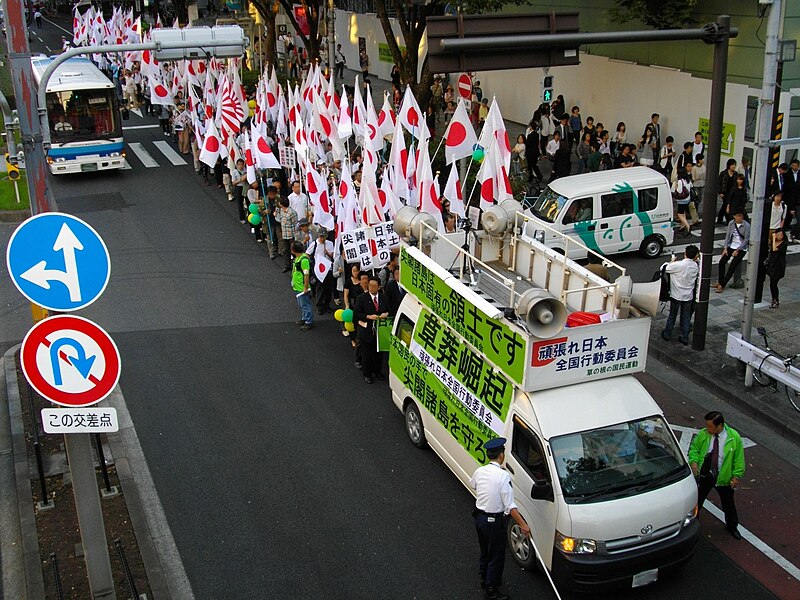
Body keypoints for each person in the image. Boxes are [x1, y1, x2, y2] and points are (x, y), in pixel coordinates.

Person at [469, 438, 531, 600]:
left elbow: (473, 484)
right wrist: (523, 525)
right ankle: (491, 589)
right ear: (501, 456)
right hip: (494, 522)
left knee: (485, 550)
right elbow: (510, 507)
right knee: (496, 555)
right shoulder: (503, 477)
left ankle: (484, 578)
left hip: (479, 519)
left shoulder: (480, 471)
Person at [688, 411, 745, 540]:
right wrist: (694, 462)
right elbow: (694, 449)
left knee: (728, 504)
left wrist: (736, 476)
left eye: (710, 426)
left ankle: (732, 526)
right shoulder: (704, 434)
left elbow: (738, 459)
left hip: (723, 478)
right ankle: (692, 524)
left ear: (719, 425)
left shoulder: (734, 438)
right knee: (697, 501)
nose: (707, 429)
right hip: (705, 474)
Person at [660, 245, 699, 345]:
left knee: (672, 315)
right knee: (686, 317)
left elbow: (663, 268)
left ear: (685, 253)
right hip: (688, 296)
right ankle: (684, 337)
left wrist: (672, 261)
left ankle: (667, 334)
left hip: (676, 295)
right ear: (695, 256)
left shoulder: (678, 265)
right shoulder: (695, 266)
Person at [353, 277, 389, 384]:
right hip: (366, 330)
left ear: (379, 287)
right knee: (367, 354)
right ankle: (367, 373)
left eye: (374, 286)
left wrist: (386, 314)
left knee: (379, 354)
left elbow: (389, 310)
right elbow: (356, 314)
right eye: (370, 286)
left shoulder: (383, 298)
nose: (371, 288)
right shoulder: (361, 298)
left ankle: (377, 371)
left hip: (380, 331)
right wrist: (368, 316)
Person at [715, 212, 750, 293]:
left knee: (732, 267)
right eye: (737, 216)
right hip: (731, 246)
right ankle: (720, 281)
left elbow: (746, 239)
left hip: (741, 248)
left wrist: (738, 249)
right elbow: (728, 236)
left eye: (741, 216)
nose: (739, 218)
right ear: (734, 216)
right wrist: (725, 248)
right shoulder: (731, 223)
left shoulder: (746, 225)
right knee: (722, 262)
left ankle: (722, 285)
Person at [290, 241, 314, 331]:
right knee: (301, 304)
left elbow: (306, 274)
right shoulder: (298, 258)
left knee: (305, 305)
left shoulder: (303, 260)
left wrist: (305, 287)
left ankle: (308, 321)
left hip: (302, 287)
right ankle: (304, 318)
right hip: (297, 286)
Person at [275, 197, 299, 272]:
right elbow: (279, 220)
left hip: (291, 235)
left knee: (294, 251)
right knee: (286, 250)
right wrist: (276, 214)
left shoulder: (292, 212)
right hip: (284, 234)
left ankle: (296, 266)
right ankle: (287, 265)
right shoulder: (280, 211)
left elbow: (295, 223)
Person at [766, 229, 788, 308]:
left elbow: (775, 249)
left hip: (779, 265)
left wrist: (774, 239)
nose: (779, 237)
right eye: (778, 235)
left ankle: (776, 300)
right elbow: (771, 249)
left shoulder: (784, 244)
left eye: (781, 235)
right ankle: (774, 299)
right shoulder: (773, 242)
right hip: (772, 264)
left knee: (774, 283)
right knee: (772, 284)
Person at [672, 162, 694, 237]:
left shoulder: (680, 181)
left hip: (682, 200)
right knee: (683, 212)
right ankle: (682, 226)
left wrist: (675, 188)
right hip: (688, 199)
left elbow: (679, 191)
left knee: (680, 214)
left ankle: (687, 226)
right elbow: (691, 186)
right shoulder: (688, 180)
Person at [717, 159, 738, 224]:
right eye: (732, 164)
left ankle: (720, 219)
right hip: (725, 192)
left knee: (726, 205)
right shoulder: (723, 173)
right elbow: (719, 183)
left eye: (734, 164)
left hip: (732, 192)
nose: (734, 166)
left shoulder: (735, 174)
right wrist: (720, 192)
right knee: (726, 204)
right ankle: (727, 219)